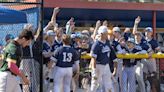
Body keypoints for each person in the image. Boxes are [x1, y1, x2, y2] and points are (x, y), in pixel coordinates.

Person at [90, 26, 117, 92]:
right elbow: (93, 59)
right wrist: (94, 70)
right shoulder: (96, 44)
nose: (107, 35)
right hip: (98, 66)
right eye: (106, 33)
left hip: (106, 66)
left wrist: (115, 69)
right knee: (95, 84)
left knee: (109, 84)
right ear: (101, 34)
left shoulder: (107, 43)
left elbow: (113, 56)